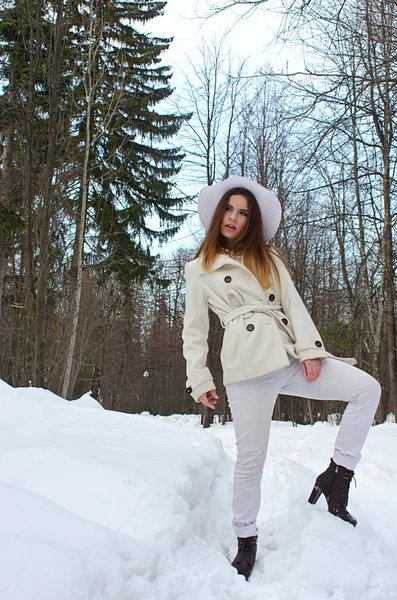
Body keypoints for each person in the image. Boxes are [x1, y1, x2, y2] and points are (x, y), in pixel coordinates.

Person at [182, 176, 381, 581]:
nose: (235, 217)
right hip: (246, 364)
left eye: (243, 212)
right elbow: (194, 330)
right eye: (230, 210)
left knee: (366, 389)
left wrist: (309, 349)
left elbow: (293, 303)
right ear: (218, 214)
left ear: (251, 220)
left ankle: (337, 476)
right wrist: (199, 377)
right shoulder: (199, 268)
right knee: (251, 460)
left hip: (288, 354)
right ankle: (245, 539)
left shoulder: (268, 258)